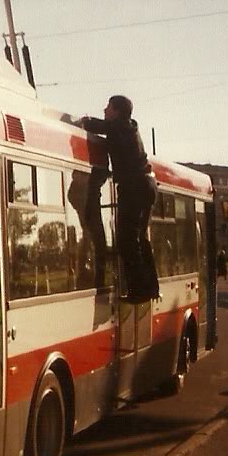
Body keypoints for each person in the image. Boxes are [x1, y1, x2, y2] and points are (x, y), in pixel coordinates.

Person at [80, 95, 159, 303]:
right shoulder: (129, 128)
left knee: (126, 239)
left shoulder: (118, 127)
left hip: (134, 188)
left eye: (108, 107)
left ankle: (137, 291)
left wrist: (83, 122)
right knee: (140, 238)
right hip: (146, 185)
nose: (105, 109)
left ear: (116, 111)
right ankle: (151, 287)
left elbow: (96, 125)